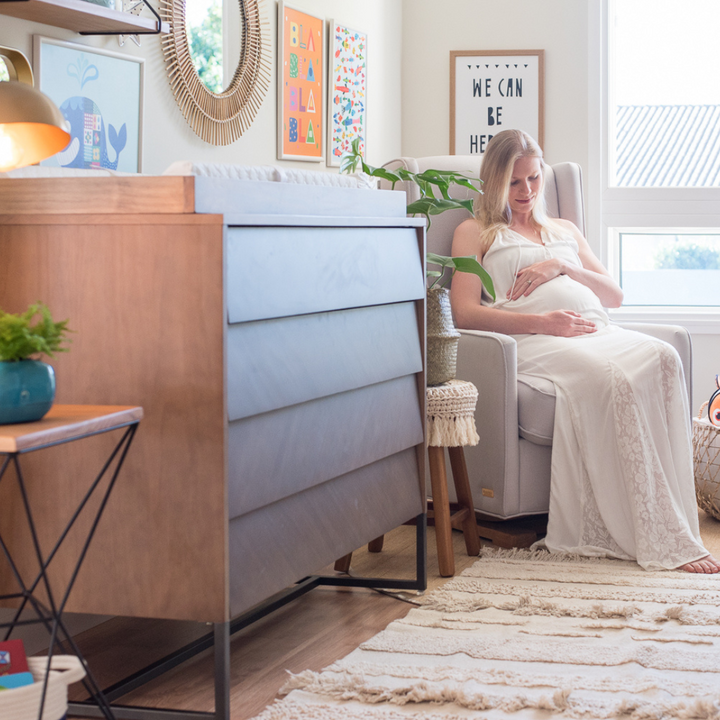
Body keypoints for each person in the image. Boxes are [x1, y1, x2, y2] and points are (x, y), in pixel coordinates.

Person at [451, 128, 720, 573]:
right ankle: (649, 532)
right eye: (514, 182)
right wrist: (544, 323)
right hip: (534, 342)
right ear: (494, 181)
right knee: (611, 379)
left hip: (596, 330)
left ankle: (674, 519)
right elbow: (464, 313)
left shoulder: (564, 231)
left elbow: (614, 295)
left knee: (665, 359)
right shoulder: (476, 232)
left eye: (534, 179)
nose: (526, 191)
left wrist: (561, 264)